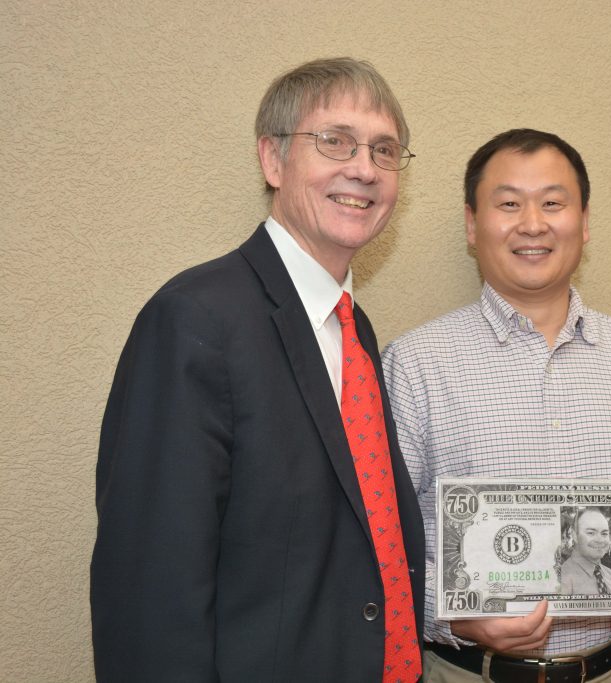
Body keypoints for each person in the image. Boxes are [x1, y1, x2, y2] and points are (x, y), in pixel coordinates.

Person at [91, 57, 424, 682]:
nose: (364, 168)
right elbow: (151, 589)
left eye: (384, 150)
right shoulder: (195, 318)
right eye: (335, 141)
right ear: (272, 161)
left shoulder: (353, 327)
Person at [382, 128, 611, 683]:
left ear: (584, 221)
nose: (533, 223)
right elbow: (383, 547)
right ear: (471, 224)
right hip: (466, 673)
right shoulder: (415, 363)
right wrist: (452, 613)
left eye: (553, 203)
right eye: (509, 204)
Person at [559, 508, 611, 596]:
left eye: (604, 534)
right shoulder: (561, 577)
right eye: (591, 533)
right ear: (574, 535)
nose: (600, 540)